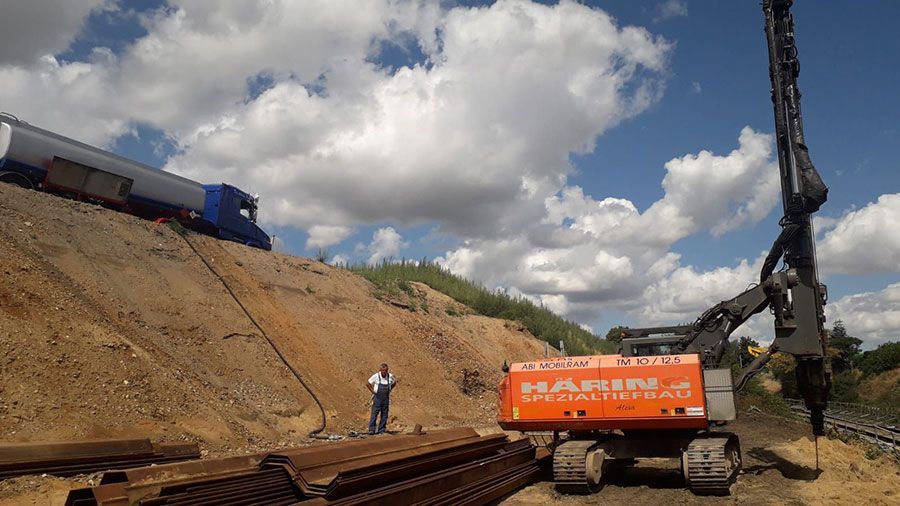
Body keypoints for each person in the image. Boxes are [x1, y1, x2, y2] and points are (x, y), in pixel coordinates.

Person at [367, 363, 397, 435]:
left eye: (385, 371)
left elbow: (395, 382)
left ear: (387, 370)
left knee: (384, 414)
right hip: (377, 398)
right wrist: (373, 391)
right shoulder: (376, 376)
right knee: (374, 413)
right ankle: (372, 429)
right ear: (380, 370)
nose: (384, 372)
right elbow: (368, 383)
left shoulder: (390, 376)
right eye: (382, 371)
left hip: (385, 398)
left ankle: (381, 429)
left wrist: (390, 389)